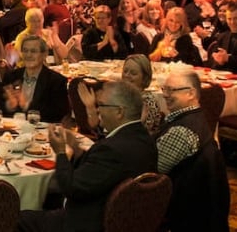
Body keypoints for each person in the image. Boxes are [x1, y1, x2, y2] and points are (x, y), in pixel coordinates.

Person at [16, 80, 155, 232]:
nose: (97, 110)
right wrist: (77, 150)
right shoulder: (145, 140)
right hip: (124, 219)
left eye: (101, 105)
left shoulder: (112, 150)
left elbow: (70, 187)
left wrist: (61, 152)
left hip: (86, 221)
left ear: (119, 112)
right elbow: (98, 174)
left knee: (16, 218)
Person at [154, 68, 228, 232]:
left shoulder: (182, 131)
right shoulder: (199, 118)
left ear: (191, 93)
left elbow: (153, 173)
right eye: (164, 89)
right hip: (201, 214)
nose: (165, 95)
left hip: (182, 216)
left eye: (171, 90)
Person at [0, 36, 70, 123]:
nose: (28, 55)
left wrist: (26, 105)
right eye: (25, 51)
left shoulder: (56, 81)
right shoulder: (11, 76)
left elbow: (58, 115)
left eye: (33, 51)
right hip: (12, 132)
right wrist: (9, 105)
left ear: (44, 55)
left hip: (42, 133)